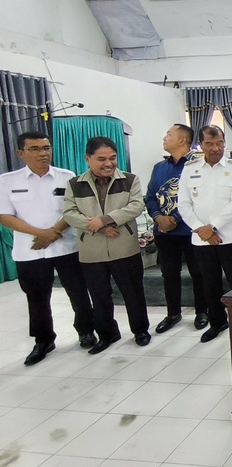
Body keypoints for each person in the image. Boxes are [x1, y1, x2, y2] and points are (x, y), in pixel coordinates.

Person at [0, 132, 96, 365]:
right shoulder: (7, 181)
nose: (43, 153)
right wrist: (40, 234)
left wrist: (53, 232)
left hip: (67, 246)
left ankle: (86, 331)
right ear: (21, 153)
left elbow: (74, 210)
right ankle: (43, 340)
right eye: (34, 149)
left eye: (46, 148)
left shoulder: (66, 176)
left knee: (78, 292)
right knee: (37, 298)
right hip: (29, 250)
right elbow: (5, 216)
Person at [63, 136, 150, 354]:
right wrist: (99, 227)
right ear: (88, 159)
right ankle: (107, 334)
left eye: (112, 158)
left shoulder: (129, 179)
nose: (108, 163)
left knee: (133, 293)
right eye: (101, 159)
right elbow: (69, 213)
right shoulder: (75, 184)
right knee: (99, 296)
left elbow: (136, 206)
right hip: (92, 250)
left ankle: (140, 330)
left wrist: (106, 219)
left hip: (124, 247)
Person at [178, 125, 232, 343]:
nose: (215, 148)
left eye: (219, 143)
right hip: (201, 240)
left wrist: (213, 227)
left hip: (231, 238)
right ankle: (217, 323)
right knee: (209, 284)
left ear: (225, 143)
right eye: (209, 143)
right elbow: (184, 204)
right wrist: (203, 230)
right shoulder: (190, 169)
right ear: (200, 145)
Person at [145, 124, 207, 334]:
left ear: (182, 140)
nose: (164, 138)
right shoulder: (159, 167)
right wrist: (159, 218)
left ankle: (202, 311)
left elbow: (199, 197)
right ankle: (173, 313)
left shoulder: (198, 164)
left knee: (198, 272)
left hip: (191, 230)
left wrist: (174, 219)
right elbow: (150, 197)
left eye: (169, 134)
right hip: (164, 232)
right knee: (169, 274)